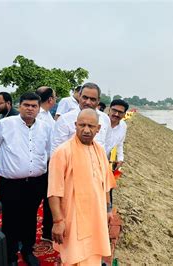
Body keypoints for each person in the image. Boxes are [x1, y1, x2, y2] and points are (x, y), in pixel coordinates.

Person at [0, 92, 51, 266]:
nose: (30, 109)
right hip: (11, 184)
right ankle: (10, 255)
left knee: (30, 217)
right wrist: (8, 165)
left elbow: (48, 152)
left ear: (39, 108)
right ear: (19, 105)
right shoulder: (4, 125)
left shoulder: (45, 127)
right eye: (26, 105)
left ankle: (27, 250)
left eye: (34, 106)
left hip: (36, 182)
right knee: (11, 219)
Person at [48, 109, 115, 265]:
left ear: (98, 129)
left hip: (96, 217)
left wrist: (108, 209)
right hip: (73, 218)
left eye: (90, 126)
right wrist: (58, 221)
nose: (86, 130)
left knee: (94, 254)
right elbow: (53, 191)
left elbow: (105, 184)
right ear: (75, 125)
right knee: (74, 258)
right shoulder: (62, 152)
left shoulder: (99, 150)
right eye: (82, 125)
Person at [51, 82, 111, 154]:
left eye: (92, 99)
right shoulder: (65, 119)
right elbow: (56, 150)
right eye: (85, 97)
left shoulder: (105, 119)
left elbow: (106, 145)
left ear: (98, 100)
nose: (88, 102)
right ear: (79, 96)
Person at [35, 86, 56, 242]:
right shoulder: (40, 117)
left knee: (50, 199)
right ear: (50, 99)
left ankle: (47, 231)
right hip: (42, 165)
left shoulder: (48, 115)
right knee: (38, 199)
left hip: (50, 163)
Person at [106, 99, 129, 169]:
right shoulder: (99, 121)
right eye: (114, 110)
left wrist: (120, 159)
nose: (116, 114)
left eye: (120, 112)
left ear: (124, 114)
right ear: (109, 110)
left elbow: (120, 144)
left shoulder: (123, 126)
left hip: (105, 160)